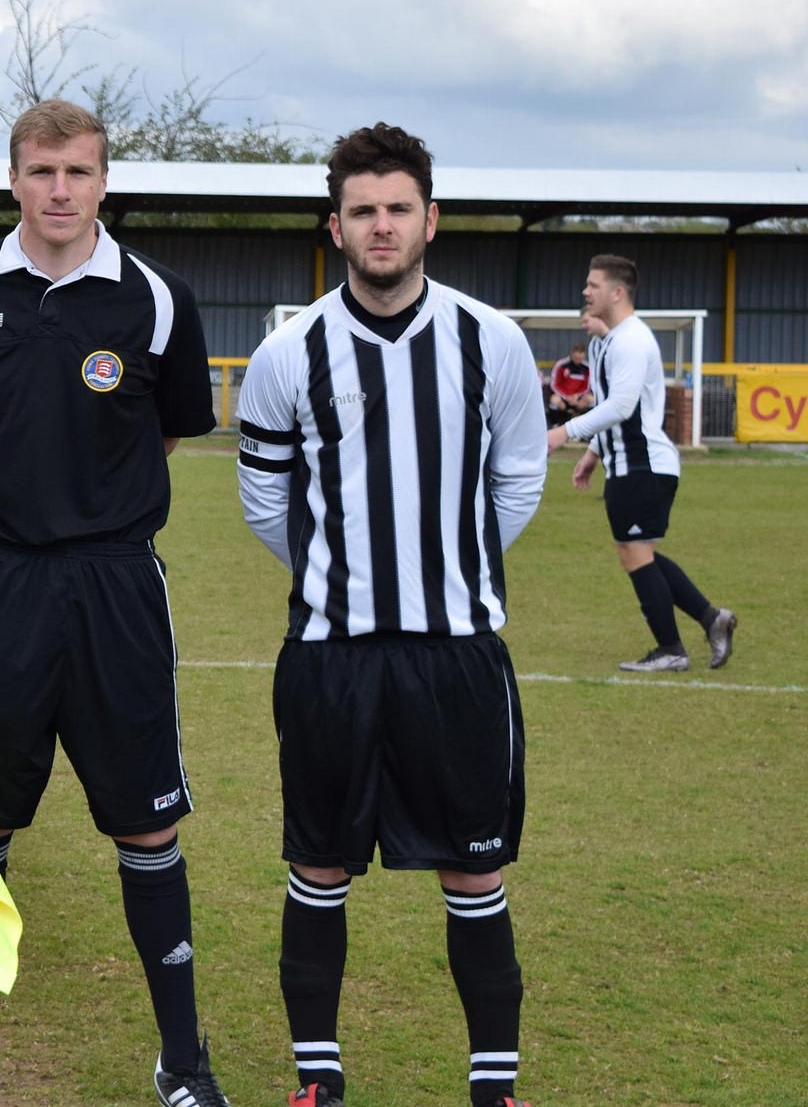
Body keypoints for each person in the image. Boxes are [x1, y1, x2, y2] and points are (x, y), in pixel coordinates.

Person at [0, 99, 226, 1107]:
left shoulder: (157, 299)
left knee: (145, 824)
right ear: (13, 178)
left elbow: (167, 433)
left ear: (102, 181)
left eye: (77, 172)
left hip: (114, 584)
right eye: (40, 171)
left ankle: (181, 1063)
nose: (58, 190)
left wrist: (92, 508)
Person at [235, 123, 546, 1107]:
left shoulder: (487, 339)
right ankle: (315, 1079)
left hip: (454, 655)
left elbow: (517, 483)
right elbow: (264, 503)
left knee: (471, 870)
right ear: (336, 225)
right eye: (361, 210)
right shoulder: (288, 351)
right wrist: (349, 570)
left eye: (396, 208)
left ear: (428, 220)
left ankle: (491, 1085)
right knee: (316, 862)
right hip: (328, 658)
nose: (380, 225)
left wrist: (437, 567)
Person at [548, 254, 737, 672]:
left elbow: (621, 405)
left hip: (643, 466)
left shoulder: (631, 340)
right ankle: (712, 619)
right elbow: (616, 410)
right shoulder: (611, 341)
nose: (585, 291)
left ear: (617, 293)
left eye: (593, 285)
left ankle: (672, 649)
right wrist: (593, 454)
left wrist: (565, 433)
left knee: (635, 554)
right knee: (637, 553)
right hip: (629, 466)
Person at [542, 342, 593, 422]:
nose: (578, 360)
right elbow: (555, 384)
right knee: (554, 400)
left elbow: (586, 386)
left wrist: (576, 396)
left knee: (591, 399)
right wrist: (566, 397)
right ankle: (555, 424)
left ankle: (591, 427)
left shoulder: (586, 367)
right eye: (576, 358)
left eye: (580, 358)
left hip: (578, 399)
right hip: (564, 398)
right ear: (572, 354)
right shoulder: (561, 365)